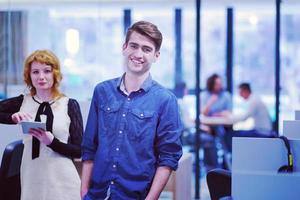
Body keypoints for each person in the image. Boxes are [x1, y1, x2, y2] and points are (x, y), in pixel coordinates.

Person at [81, 21, 183, 200]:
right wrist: (84, 193)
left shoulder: (165, 100)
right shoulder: (102, 91)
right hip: (97, 194)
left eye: (146, 49)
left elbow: (168, 157)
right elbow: (89, 147)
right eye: (134, 46)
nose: (138, 54)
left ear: (156, 56)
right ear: (124, 47)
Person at [0, 50, 83, 200]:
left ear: (55, 74)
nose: (41, 77)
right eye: (35, 72)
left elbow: (79, 150)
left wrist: (52, 142)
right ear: (29, 76)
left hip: (63, 180)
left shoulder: (69, 104)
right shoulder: (22, 102)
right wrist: (11, 118)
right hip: (32, 177)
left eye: (47, 71)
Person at [224, 83, 274, 152]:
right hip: (261, 130)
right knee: (235, 134)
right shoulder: (255, 99)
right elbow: (245, 114)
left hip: (262, 132)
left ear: (245, 91)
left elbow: (244, 117)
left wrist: (229, 117)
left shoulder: (254, 101)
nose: (240, 95)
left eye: (240, 92)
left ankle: (232, 155)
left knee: (231, 135)